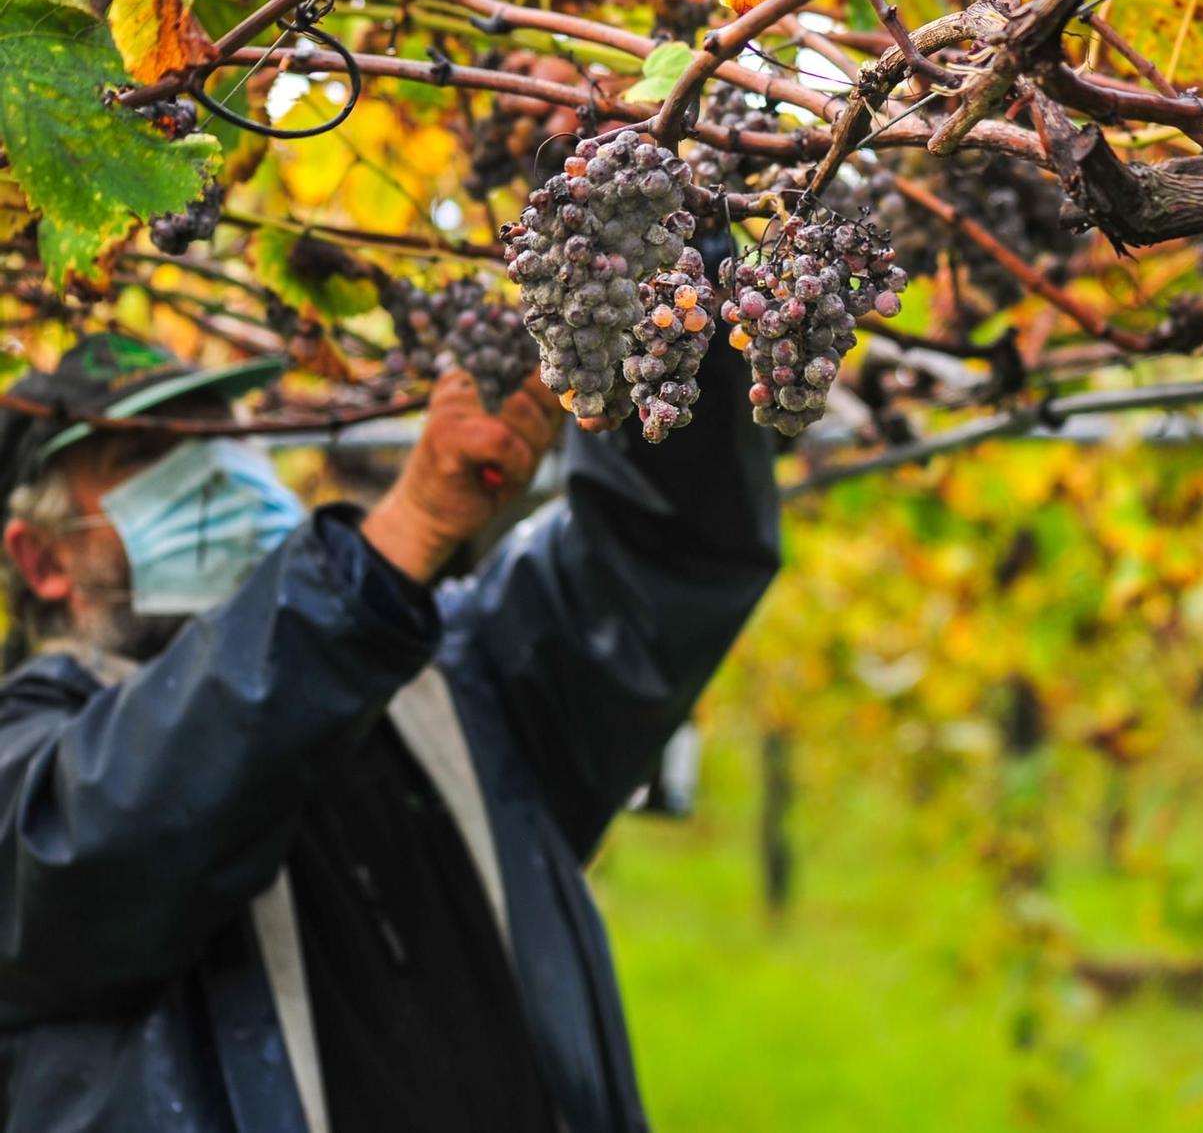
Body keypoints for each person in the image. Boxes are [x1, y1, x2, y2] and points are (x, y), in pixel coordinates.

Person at [0, 326, 778, 1132]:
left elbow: (674, 552)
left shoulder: (451, 672)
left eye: (227, 435)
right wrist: (399, 535)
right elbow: (130, 816)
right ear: (41, 559)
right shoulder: (30, 773)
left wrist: (673, 310)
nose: (215, 471)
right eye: (144, 457)